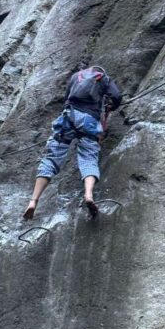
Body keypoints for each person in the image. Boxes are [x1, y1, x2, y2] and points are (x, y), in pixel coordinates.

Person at [23, 66, 122, 220]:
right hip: (89, 120)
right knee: (88, 158)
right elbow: (116, 96)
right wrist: (110, 106)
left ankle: (33, 201)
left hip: (68, 117)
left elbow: (66, 98)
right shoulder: (104, 79)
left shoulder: (77, 76)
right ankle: (88, 195)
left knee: (51, 158)